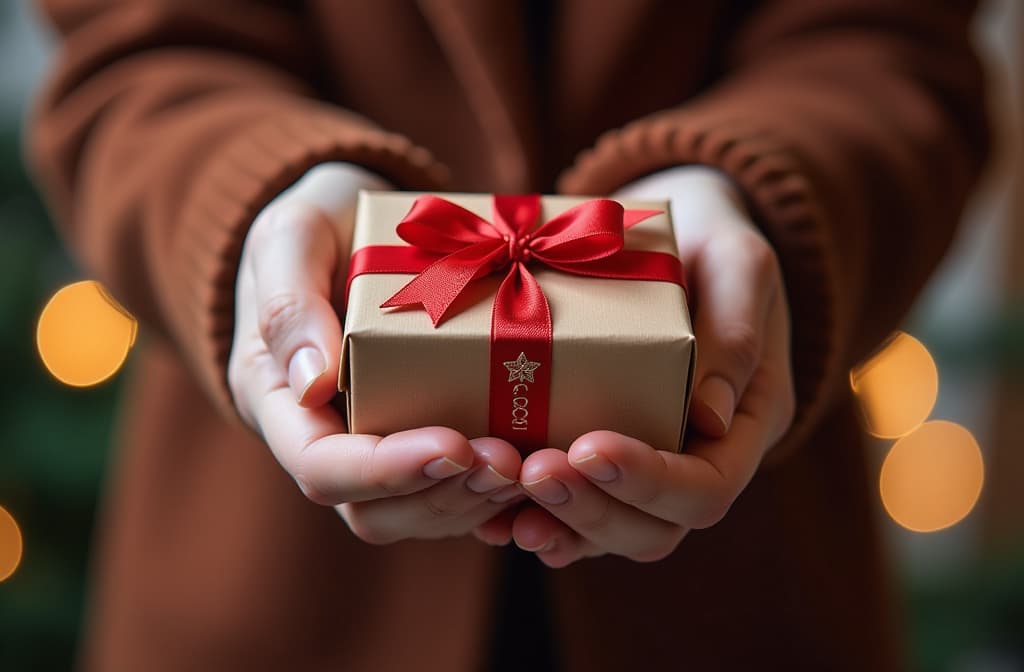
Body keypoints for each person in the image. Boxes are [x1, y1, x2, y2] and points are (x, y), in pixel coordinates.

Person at [28, 1, 988, 670]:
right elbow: (134, 51)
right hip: (271, 579)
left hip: (737, 587)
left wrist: (763, 196)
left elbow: (898, 50)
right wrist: (253, 204)